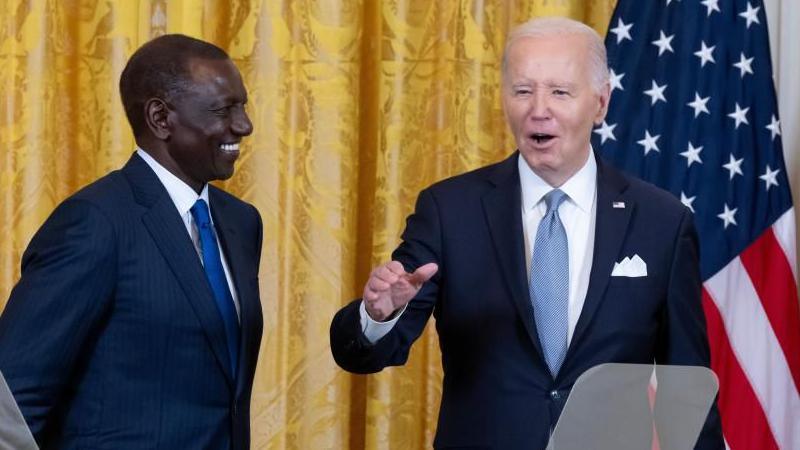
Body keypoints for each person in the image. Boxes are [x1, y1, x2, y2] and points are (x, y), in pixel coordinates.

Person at [330, 17, 723, 449]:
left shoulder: (661, 222)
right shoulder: (449, 211)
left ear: (600, 103)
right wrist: (378, 317)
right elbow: (363, 353)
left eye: (559, 92)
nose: (539, 109)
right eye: (522, 90)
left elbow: (684, 391)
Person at [0, 34, 263, 449]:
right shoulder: (95, 222)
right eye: (223, 109)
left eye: (243, 105)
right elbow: (11, 398)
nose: (244, 125)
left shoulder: (240, 223)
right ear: (161, 118)